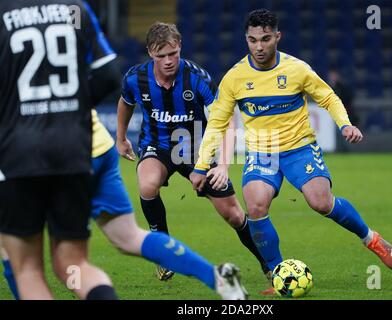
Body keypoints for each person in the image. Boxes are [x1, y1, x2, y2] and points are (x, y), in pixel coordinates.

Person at [191, 9, 392, 294]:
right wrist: (202, 166)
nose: (259, 47)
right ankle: (278, 276)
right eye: (252, 40)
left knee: (321, 202)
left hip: (299, 148)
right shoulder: (234, 78)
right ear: (246, 39)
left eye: (265, 39)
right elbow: (216, 123)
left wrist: (345, 124)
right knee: (255, 205)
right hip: (262, 152)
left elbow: (328, 97)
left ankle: (371, 238)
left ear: (278, 37)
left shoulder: (297, 69)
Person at [0, 109, 248, 300]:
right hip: (95, 144)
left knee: (34, 264)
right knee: (127, 237)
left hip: (38, 156)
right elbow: (105, 79)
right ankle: (216, 277)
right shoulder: (79, 40)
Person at [116, 22, 269, 281]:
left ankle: (268, 263)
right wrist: (121, 139)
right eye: (161, 55)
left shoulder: (197, 78)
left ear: (180, 48)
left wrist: (222, 165)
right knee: (147, 185)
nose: (168, 61)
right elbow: (125, 102)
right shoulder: (135, 78)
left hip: (198, 149)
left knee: (233, 214)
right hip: (158, 145)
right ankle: (163, 254)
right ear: (150, 53)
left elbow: (226, 121)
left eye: (173, 53)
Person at [0, 0, 120, 300]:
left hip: (20, 153)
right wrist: (70, 112)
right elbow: (108, 77)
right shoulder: (75, 9)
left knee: (27, 269)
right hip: (73, 150)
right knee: (73, 265)